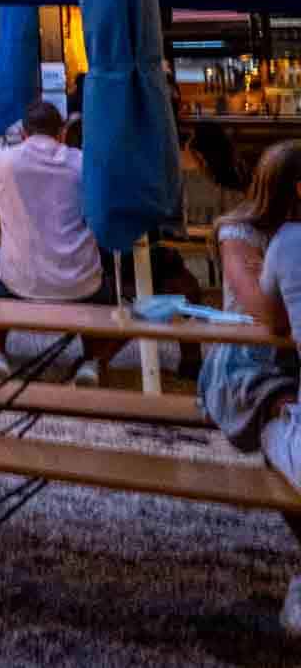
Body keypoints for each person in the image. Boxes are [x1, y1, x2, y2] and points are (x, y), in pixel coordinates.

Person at [195, 140, 301, 637]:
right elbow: (269, 313)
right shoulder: (239, 232)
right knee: (284, 430)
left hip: (288, 361)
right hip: (244, 368)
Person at [0, 101, 120, 386]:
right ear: (62, 133)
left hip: (19, 283)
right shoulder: (83, 163)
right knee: (105, 290)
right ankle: (91, 361)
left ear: (24, 133)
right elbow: (101, 214)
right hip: (80, 284)